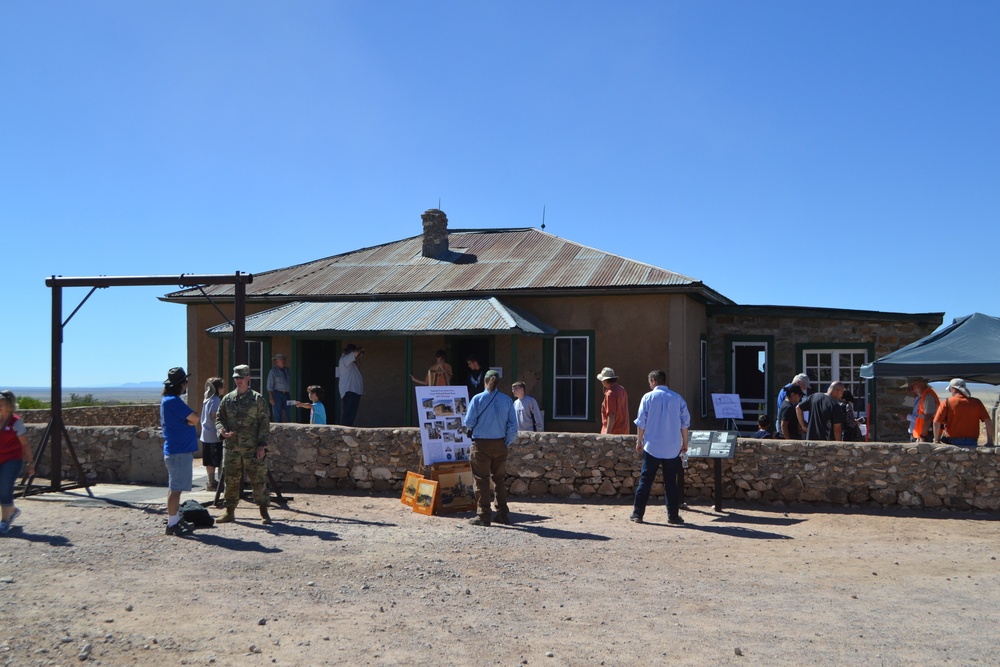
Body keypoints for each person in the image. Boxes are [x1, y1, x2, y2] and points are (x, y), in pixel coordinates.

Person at [630, 370, 690, 525]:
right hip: (672, 447)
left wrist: (639, 441)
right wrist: (685, 443)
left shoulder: (648, 397)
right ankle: (673, 515)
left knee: (646, 480)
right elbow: (685, 423)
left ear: (653, 380)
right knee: (671, 481)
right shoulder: (677, 398)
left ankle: (638, 514)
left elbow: (641, 422)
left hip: (652, 446)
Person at [216, 364, 273, 524]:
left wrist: (262, 444)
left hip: (252, 448)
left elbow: (264, 423)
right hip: (232, 448)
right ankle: (229, 512)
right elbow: (220, 419)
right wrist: (222, 431)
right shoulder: (228, 399)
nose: (238, 380)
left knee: (258, 479)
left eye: (241, 377)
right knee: (231, 479)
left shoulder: (257, 399)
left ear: (248, 377)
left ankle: (264, 512)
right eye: (236, 378)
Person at [463, 369, 518, 526]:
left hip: (481, 444)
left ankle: (483, 515)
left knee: (481, 480)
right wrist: (506, 442)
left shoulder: (477, 399)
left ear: (485, 382)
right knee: (499, 479)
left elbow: (469, 422)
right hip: (500, 443)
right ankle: (502, 513)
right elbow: (513, 426)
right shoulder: (507, 400)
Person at [160, 367, 199, 536]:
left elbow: (191, 419)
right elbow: (195, 418)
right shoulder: (173, 402)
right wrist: (190, 422)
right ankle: (172, 523)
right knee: (176, 489)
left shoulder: (168, 400)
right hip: (179, 452)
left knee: (174, 488)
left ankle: (174, 520)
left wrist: (189, 421)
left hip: (176, 450)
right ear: (182, 384)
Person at [0, 390, 35, 535]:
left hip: (12, 460)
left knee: (5, 488)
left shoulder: (16, 421)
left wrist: (30, 463)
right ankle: (13, 511)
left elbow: (25, 444)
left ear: (9, 406)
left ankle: (4, 521)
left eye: (1, 404)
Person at [933, 378, 994, 447]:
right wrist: (990, 441)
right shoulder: (976, 402)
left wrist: (936, 440)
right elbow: (988, 421)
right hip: (972, 442)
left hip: (952, 442)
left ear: (953, 389)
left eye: (950, 389)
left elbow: (936, 422)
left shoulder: (947, 403)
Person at [200, 377, 225, 491]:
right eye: (222, 387)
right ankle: (220, 483)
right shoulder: (216, 400)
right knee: (219, 460)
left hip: (205, 435)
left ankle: (210, 482)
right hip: (214, 436)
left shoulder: (206, 399)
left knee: (209, 460)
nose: (223, 389)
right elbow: (214, 415)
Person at [904, 378, 939, 442]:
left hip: (927, 435)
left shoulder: (928, 396)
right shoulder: (925, 395)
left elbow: (928, 418)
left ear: (920, 383)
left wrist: (922, 436)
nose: (913, 391)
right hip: (924, 434)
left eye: (912, 387)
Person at [337, 344, 364, 426]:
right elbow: (355, 353)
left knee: (351, 414)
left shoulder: (351, 363)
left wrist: (358, 357)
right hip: (349, 391)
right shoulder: (345, 359)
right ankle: (345, 430)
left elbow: (359, 365)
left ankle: (348, 429)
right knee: (348, 414)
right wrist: (361, 349)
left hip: (354, 391)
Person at [597, 367, 629, 435]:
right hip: (624, 430)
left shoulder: (610, 394)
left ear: (605, 380)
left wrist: (608, 433)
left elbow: (611, 414)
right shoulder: (621, 389)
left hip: (613, 432)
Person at [267, 353, 292, 423]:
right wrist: (271, 397)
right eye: (281, 360)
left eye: (284, 359)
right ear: (277, 362)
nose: (283, 361)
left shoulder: (287, 370)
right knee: (277, 415)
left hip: (287, 394)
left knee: (290, 413)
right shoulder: (273, 371)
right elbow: (270, 386)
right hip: (277, 394)